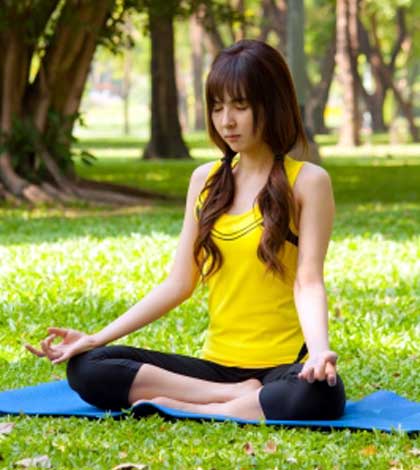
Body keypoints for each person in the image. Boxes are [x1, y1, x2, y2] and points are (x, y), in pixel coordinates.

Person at [26, 39, 346, 421]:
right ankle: (231, 399)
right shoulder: (206, 180)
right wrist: (96, 338)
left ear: (272, 104)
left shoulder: (308, 182)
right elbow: (179, 283)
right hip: (216, 370)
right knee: (88, 367)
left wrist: (319, 351)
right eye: (217, 107)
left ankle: (188, 407)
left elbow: (307, 281)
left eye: (240, 106)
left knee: (320, 394)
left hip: (282, 368)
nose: (227, 120)